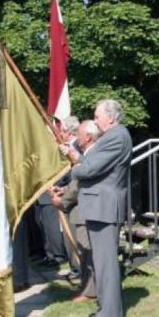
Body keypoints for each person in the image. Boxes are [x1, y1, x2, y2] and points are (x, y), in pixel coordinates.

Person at [66, 99, 132, 317]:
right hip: (101, 207)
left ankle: (110, 314)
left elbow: (90, 169)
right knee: (103, 262)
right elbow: (93, 164)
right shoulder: (113, 136)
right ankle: (106, 308)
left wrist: (77, 166)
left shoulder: (116, 137)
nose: (95, 120)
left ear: (111, 118)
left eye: (97, 116)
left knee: (106, 264)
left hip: (104, 208)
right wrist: (80, 161)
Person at [53, 119, 101, 303]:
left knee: (86, 252)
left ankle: (89, 292)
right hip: (82, 208)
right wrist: (64, 191)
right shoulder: (86, 154)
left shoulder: (87, 154)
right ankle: (87, 289)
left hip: (85, 209)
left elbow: (80, 182)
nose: (76, 138)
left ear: (88, 136)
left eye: (79, 134)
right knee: (84, 251)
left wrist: (63, 201)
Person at [34, 117, 80, 271]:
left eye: (61, 131)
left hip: (66, 194)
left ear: (68, 131)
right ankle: (52, 256)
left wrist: (58, 185)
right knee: (46, 226)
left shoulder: (74, 148)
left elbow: (69, 170)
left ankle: (65, 260)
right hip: (57, 191)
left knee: (68, 233)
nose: (59, 133)